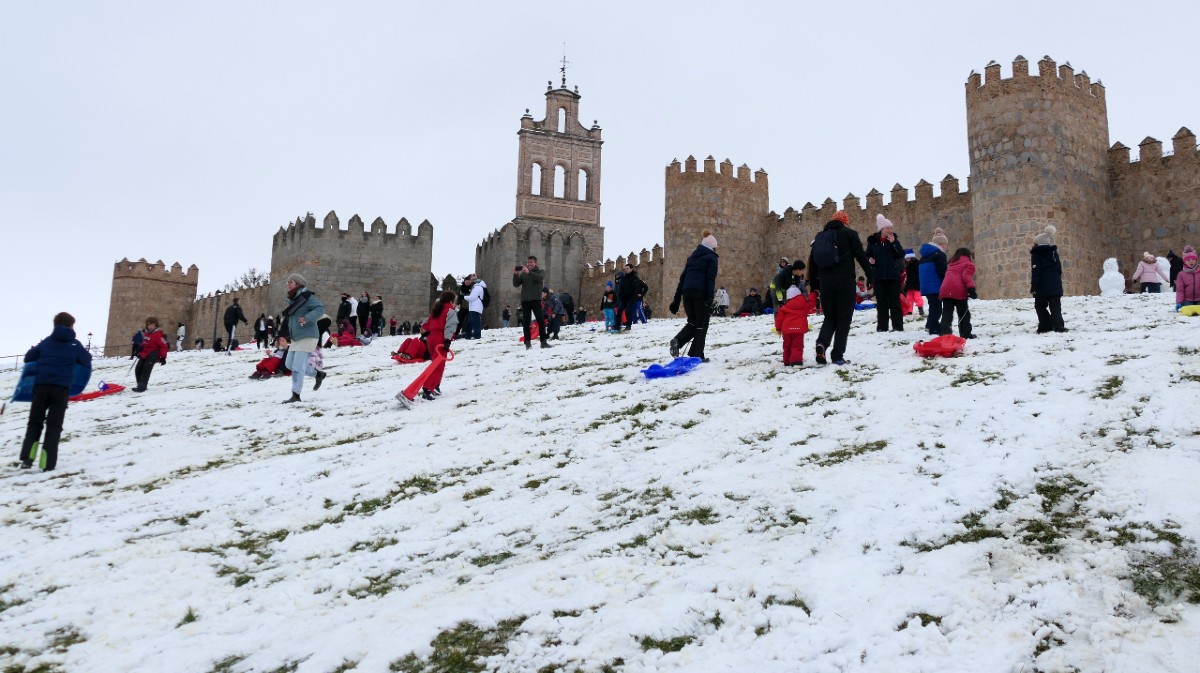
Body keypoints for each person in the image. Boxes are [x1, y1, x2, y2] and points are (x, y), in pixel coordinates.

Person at [18, 312, 91, 472]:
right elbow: (86, 359)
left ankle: (27, 459)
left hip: (41, 385)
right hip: (61, 388)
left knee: (35, 422)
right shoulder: (75, 344)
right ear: (71, 326)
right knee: (54, 425)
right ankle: (47, 463)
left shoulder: (47, 342)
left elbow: (28, 357)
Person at [807, 210, 874, 365]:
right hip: (845, 281)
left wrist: (815, 286)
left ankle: (822, 344)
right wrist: (871, 277)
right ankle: (837, 356)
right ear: (845, 222)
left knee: (830, 317)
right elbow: (861, 256)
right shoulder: (849, 234)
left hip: (825, 283)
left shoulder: (820, 237)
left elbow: (813, 263)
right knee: (844, 319)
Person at [669, 233, 719, 361]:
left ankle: (677, 341)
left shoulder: (692, 258)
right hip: (700, 293)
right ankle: (696, 355)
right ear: (712, 248)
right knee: (702, 324)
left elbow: (682, 279)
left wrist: (676, 300)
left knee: (693, 322)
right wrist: (709, 297)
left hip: (687, 293)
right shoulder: (711, 258)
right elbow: (710, 278)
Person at [280, 273, 326, 403]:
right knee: (289, 364)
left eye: (291, 282)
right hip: (297, 337)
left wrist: (306, 318)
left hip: (308, 335)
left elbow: (320, 309)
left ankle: (296, 395)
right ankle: (318, 374)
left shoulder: (307, 297)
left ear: (298, 283)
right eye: (288, 282)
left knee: (297, 367)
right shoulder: (294, 299)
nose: (288, 284)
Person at [415, 290, 459, 400]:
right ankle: (428, 388)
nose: (455, 304)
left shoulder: (437, 310)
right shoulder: (450, 311)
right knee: (437, 366)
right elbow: (450, 327)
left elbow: (426, 323)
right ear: (450, 301)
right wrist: (447, 340)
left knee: (437, 364)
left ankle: (435, 385)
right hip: (441, 339)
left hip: (431, 339)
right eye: (454, 301)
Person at [866, 214, 906, 331]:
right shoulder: (873, 242)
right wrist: (870, 260)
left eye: (891, 228)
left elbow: (900, 254)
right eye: (888, 228)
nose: (890, 230)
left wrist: (894, 243)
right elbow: (868, 255)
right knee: (882, 303)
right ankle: (882, 328)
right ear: (882, 229)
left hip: (893, 276)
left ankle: (898, 327)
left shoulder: (894, 240)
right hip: (878, 277)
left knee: (895, 303)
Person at [1030, 225, 1067, 334]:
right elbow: (1059, 269)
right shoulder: (1053, 253)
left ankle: (1046, 325)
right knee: (1055, 306)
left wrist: (1034, 286)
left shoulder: (1037, 254)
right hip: (1055, 284)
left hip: (1042, 285)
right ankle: (1059, 326)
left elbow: (1036, 270)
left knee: (1039, 305)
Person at [513, 255, 551, 349]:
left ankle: (543, 342)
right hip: (525, 301)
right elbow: (516, 284)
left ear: (535, 263)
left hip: (536, 300)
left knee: (541, 321)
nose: (529, 264)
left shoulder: (540, 272)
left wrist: (529, 272)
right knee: (526, 322)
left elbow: (539, 278)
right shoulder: (523, 274)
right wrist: (516, 274)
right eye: (528, 262)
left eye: (531, 262)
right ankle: (527, 343)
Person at [939, 248, 977, 338]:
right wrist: (971, 289)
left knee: (947, 313)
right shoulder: (969, 264)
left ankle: (944, 333)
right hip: (958, 290)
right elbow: (966, 276)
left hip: (945, 290)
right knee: (963, 313)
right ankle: (965, 333)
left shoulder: (951, 265)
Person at [918, 234, 950, 335]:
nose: (946, 247)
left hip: (926, 286)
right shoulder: (939, 255)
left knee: (933, 307)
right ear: (941, 244)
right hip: (935, 285)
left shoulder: (925, 256)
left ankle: (929, 325)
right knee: (937, 308)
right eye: (945, 244)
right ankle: (934, 328)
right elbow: (942, 271)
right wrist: (946, 282)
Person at [774, 285, 810, 366]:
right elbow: (811, 303)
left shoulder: (784, 308)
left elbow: (779, 319)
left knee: (787, 345)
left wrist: (778, 329)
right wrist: (814, 294)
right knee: (797, 345)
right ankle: (796, 362)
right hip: (798, 330)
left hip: (786, 330)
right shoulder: (804, 305)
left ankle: (787, 361)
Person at [133, 317, 169, 392]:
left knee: (146, 370)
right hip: (144, 354)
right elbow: (144, 343)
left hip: (153, 354)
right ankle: (140, 384)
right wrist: (139, 350)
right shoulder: (146, 333)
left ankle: (142, 386)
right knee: (138, 369)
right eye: (149, 325)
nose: (150, 326)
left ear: (155, 325)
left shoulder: (158, 335)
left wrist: (163, 357)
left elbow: (164, 346)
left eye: (152, 325)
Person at [618, 263, 647, 331]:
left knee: (639, 308)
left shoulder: (639, 281)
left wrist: (641, 294)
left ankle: (644, 321)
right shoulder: (627, 280)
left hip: (638, 298)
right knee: (631, 310)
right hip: (631, 298)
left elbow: (646, 288)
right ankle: (634, 322)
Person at [1174, 245, 1199, 311]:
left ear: (1196, 260)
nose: (1191, 261)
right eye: (1188, 260)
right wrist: (1179, 302)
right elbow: (1180, 290)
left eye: (1193, 259)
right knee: (1188, 311)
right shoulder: (1181, 274)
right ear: (1185, 262)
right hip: (1188, 299)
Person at [902, 250, 924, 317]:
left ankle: (920, 308)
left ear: (912, 257)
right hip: (909, 284)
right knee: (909, 298)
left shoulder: (917, 264)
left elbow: (920, 274)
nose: (907, 259)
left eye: (908, 258)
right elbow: (908, 276)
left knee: (917, 297)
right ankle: (909, 311)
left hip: (916, 283)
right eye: (906, 258)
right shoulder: (907, 265)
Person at [465, 275, 486, 339]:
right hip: (474, 308)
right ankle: (468, 336)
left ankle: (477, 336)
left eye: (472, 280)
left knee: (475, 323)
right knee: (470, 323)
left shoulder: (477, 287)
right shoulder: (475, 287)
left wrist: (464, 297)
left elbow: (473, 297)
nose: (471, 281)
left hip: (476, 308)